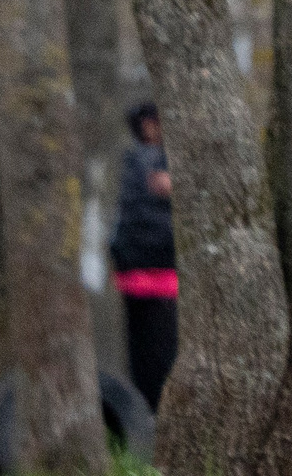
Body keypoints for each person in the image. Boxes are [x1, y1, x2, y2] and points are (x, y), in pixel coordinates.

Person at [113, 101, 179, 414]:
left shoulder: (135, 159)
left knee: (146, 353)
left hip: (140, 275)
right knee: (158, 353)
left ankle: (148, 411)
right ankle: (153, 412)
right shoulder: (150, 161)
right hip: (156, 277)